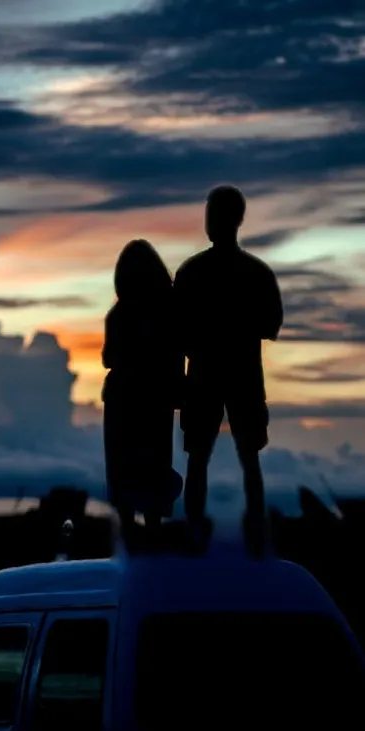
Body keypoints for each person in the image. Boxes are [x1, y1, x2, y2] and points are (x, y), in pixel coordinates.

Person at [174, 185, 283, 555]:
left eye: (214, 215)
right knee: (232, 457)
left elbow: (178, 331)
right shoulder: (255, 272)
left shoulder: (193, 272)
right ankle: (250, 531)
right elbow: (270, 325)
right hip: (235, 375)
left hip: (214, 376)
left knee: (209, 458)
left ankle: (217, 531)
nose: (210, 223)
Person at [102, 239, 183, 534]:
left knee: (123, 466)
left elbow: (108, 357)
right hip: (154, 399)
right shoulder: (169, 311)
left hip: (125, 398)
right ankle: (152, 528)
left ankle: (128, 531)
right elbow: (177, 356)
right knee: (154, 465)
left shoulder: (119, 314)